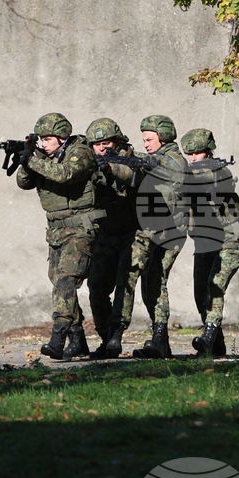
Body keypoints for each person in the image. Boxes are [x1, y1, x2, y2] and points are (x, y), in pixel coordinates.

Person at [16, 113, 100, 361]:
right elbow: (23, 183)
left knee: (65, 280)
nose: (44, 143)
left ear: (62, 137)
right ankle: (78, 339)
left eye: (48, 139)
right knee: (59, 283)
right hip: (56, 231)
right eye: (41, 139)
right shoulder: (44, 158)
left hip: (81, 227)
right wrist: (28, 159)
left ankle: (57, 338)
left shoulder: (80, 152)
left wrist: (34, 160)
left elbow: (66, 174)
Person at [125, 115, 188, 359]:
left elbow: (161, 163)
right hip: (155, 229)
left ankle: (160, 338)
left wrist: (134, 155)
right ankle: (161, 342)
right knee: (148, 282)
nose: (146, 144)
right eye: (144, 140)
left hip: (171, 231)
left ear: (163, 137)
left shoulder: (174, 159)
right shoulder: (155, 159)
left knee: (155, 280)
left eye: (150, 139)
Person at [181, 128, 239, 357]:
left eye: (197, 153)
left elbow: (204, 177)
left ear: (208, 152)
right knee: (200, 294)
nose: (193, 158)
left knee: (214, 286)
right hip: (204, 243)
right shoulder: (189, 174)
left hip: (229, 241)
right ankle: (217, 345)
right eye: (189, 154)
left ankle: (208, 337)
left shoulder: (219, 171)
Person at [84, 118, 140, 359]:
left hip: (132, 232)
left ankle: (116, 333)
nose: (101, 148)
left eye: (105, 143)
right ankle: (105, 336)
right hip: (105, 232)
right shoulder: (89, 161)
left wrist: (108, 168)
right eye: (96, 144)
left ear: (117, 141)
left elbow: (133, 175)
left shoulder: (132, 159)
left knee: (124, 284)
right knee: (96, 286)